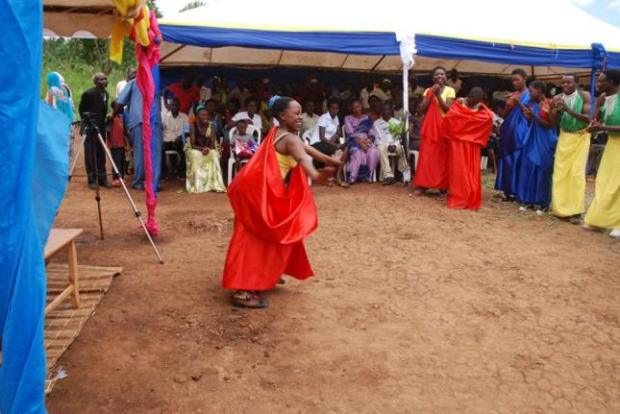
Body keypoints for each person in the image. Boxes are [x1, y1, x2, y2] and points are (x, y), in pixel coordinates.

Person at [222, 95, 342, 308]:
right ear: (282, 115)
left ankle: (267, 272)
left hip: (255, 191)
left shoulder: (280, 133)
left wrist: (333, 160)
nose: (300, 116)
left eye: (301, 113)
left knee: (269, 235)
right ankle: (242, 290)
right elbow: (304, 160)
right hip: (259, 194)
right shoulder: (290, 139)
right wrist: (316, 175)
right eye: (296, 113)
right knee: (257, 238)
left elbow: (309, 151)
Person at [583, 69, 620, 240]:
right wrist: (598, 107)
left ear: (611, 83)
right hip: (612, 144)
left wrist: (602, 127)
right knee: (604, 182)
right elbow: (595, 120)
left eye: (601, 81)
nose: (597, 84)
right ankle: (598, 220)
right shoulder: (604, 99)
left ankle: (617, 223)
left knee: (617, 185)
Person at [443, 87, 494, 209]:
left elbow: (489, 118)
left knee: (471, 171)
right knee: (458, 171)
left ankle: (469, 197)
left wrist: (480, 109)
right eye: (472, 101)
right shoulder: (459, 104)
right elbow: (449, 118)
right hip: (458, 144)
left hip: (472, 144)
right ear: (468, 96)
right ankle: (459, 197)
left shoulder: (481, 108)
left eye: (477, 102)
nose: (473, 104)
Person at [550, 74, 591, 223]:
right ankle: (560, 209)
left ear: (577, 83)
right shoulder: (557, 98)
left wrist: (567, 109)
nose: (565, 85)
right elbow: (552, 122)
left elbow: (588, 119)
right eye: (563, 83)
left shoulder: (584, 95)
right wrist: (555, 111)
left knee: (576, 175)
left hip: (580, 137)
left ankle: (575, 211)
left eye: (569, 82)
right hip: (564, 137)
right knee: (560, 174)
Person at [515, 80, 558, 213]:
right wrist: (528, 115)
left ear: (539, 91)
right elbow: (531, 121)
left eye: (531, 91)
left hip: (545, 141)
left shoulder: (549, 104)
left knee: (543, 171)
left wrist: (533, 115)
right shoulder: (533, 104)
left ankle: (544, 203)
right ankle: (530, 200)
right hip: (533, 139)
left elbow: (550, 125)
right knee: (530, 168)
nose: (529, 94)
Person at [412, 66, 455, 195]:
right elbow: (421, 110)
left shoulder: (450, 90)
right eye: (437, 74)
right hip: (430, 128)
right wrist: (431, 94)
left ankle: (442, 186)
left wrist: (438, 95)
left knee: (442, 156)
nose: (440, 76)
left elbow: (448, 110)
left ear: (446, 77)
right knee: (427, 155)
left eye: (442, 74)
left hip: (444, 127)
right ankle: (423, 185)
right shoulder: (428, 90)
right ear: (433, 78)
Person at [115, 77, 163, 191]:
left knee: (139, 152)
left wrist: (113, 115)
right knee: (155, 153)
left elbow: (119, 103)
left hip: (139, 120)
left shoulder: (134, 82)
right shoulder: (155, 80)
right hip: (154, 120)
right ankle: (154, 183)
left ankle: (138, 182)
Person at [494, 68, 530, 201]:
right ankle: (507, 190)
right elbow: (504, 115)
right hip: (509, 128)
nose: (514, 83)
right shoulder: (512, 95)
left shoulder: (530, 94)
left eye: (517, 80)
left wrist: (518, 103)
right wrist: (508, 106)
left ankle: (518, 190)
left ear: (524, 79)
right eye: (513, 80)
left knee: (518, 156)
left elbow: (530, 113)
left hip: (522, 129)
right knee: (507, 158)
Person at [185, 104, 226, 193]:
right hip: (196, 148)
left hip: (208, 148)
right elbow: (192, 144)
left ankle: (215, 184)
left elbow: (213, 144)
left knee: (214, 154)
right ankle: (198, 185)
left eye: (206, 115)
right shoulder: (193, 125)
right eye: (202, 115)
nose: (205, 117)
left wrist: (207, 149)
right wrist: (201, 149)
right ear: (197, 117)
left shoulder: (212, 126)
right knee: (195, 154)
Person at [79, 73, 110, 189]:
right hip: (91, 127)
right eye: (101, 79)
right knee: (90, 153)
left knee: (101, 152)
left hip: (101, 127)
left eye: (105, 79)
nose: (104, 81)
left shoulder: (106, 93)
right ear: (96, 82)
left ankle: (102, 178)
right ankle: (92, 180)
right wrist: (87, 123)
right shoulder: (89, 94)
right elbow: (82, 110)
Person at [310, 99, 347, 187]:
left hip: (327, 144)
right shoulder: (324, 118)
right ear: (329, 109)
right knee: (337, 151)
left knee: (346, 149)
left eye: (336, 108)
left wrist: (337, 139)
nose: (335, 110)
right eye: (333, 108)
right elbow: (322, 137)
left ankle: (335, 175)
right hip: (317, 143)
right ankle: (336, 177)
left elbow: (338, 133)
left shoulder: (336, 118)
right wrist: (335, 144)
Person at [372, 101, 407, 185]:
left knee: (401, 148)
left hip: (395, 145)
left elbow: (399, 137)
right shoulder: (376, 123)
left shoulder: (396, 122)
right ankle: (388, 176)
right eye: (384, 110)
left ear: (391, 111)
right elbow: (377, 138)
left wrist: (395, 145)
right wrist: (387, 146)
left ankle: (401, 173)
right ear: (381, 111)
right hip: (384, 145)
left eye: (388, 110)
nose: (386, 112)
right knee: (380, 148)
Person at [344, 99, 379, 183]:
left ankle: (369, 175)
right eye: (354, 107)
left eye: (358, 107)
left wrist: (369, 140)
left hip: (367, 141)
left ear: (361, 107)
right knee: (357, 152)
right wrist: (360, 143)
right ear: (352, 109)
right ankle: (353, 176)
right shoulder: (348, 118)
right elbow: (350, 134)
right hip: (354, 141)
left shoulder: (366, 118)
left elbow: (371, 132)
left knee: (373, 151)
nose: (357, 109)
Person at [161, 98, 189, 180]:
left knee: (185, 150)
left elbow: (187, 131)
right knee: (160, 151)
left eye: (176, 105)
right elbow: (161, 129)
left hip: (179, 140)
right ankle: (163, 174)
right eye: (173, 105)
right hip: (167, 140)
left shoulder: (184, 116)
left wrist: (179, 138)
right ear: (169, 106)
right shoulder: (164, 116)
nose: (175, 107)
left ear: (179, 106)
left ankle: (181, 173)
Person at [106, 102, 127, 187]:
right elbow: (108, 130)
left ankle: (121, 177)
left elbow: (123, 130)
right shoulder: (110, 117)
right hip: (115, 144)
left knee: (121, 161)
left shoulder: (120, 117)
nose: (122, 108)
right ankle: (116, 178)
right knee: (116, 161)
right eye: (120, 107)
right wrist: (112, 141)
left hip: (121, 143)